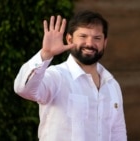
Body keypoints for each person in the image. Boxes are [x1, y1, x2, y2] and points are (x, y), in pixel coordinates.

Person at [14, 10, 127, 141]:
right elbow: (23, 89)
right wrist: (45, 54)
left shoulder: (112, 85)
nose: (90, 43)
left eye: (97, 38)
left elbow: (118, 132)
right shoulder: (57, 76)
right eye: (83, 36)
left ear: (105, 42)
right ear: (69, 39)